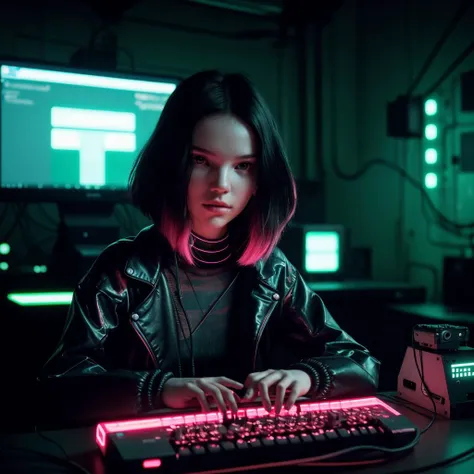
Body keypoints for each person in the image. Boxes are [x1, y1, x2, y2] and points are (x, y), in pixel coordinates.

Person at [38, 70, 379, 425]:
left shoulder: (273, 271)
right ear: (172, 164)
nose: (222, 185)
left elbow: (362, 364)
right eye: (202, 161)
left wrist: (308, 377)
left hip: (245, 449)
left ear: (260, 179)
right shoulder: (122, 270)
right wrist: (157, 391)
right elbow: (59, 386)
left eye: (243, 166)